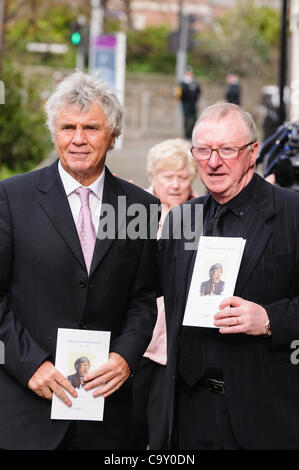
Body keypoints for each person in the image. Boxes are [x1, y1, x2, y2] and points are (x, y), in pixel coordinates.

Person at [0, 71, 160, 450]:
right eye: (67, 127)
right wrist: (30, 365)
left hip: (106, 413)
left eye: (91, 127)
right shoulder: (12, 198)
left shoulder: (138, 207)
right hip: (27, 411)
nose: (78, 139)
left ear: (113, 135)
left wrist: (126, 357)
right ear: (54, 132)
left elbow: (143, 299)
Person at [159, 102, 299, 450]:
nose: (213, 161)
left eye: (226, 150)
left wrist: (269, 319)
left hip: (263, 416)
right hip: (187, 416)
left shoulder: (291, 213)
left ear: (252, 153)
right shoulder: (181, 220)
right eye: (204, 150)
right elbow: (146, 294)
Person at [132, 138, 198, 450]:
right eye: (167, 176)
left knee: (163, 435)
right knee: (126, 428)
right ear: (153, 178)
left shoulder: (204, 215)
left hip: (176, 345)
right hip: (134, 340)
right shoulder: (132, 211)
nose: (174, 184)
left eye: (182, 176)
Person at [178, 67, 201, 140]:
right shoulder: (182, 83)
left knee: (194, 118)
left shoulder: (194, 83)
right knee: (186, 118)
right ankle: (186, 133)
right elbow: (180, 93)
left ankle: (192, 133)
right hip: (185, 103)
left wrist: (195, 99)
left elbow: (198, 91)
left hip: (193, 103)